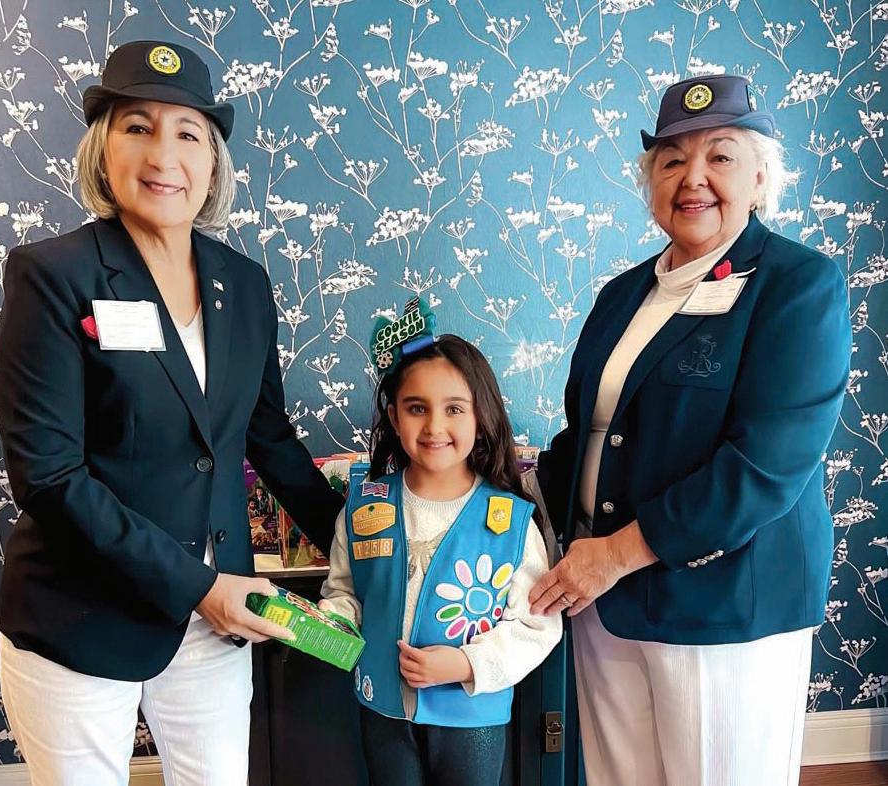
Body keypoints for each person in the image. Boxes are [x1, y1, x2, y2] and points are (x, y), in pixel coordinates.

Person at [0, 39, 343, 786]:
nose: (163, 155)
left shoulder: (243, 284)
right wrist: (200, 588)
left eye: (188, 133)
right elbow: (50, 478)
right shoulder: (53, 275)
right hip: (83, 617)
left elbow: (266, 436)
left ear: (213, 161)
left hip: (214, 626)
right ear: (103, 149)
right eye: (137, 127)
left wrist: (362, 544)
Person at [530, 74, 852, 785]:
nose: (692, 178)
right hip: (604, 601)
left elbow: (763, 468)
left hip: (724, 607)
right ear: (650, 183)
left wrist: (613, 556)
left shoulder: (797, 285)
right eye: (672, 160)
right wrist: (487, 493)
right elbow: (587, 436)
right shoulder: (622, 294)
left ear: (761, 176)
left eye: (720, 156)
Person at [319, 298, 562, 786]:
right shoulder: (364, 506)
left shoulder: (511, 520)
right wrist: (329, 623)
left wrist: (467, 663)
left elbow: (537, 625)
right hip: (382, 709)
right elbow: (344, 592)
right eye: (416, 408)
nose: (434, 426)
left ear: (480, 417)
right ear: (394, 417)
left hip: (471, 714)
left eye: (453, 409)